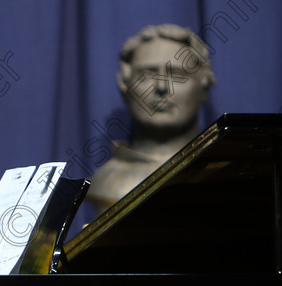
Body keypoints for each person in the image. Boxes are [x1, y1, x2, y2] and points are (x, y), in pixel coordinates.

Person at [86, 24, 216, 215]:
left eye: (177, 75)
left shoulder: (222, 175)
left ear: (203, 87)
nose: (162, 86)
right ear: (125, 85)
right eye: (147, 74)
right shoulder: (105, 182)